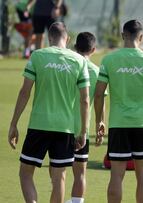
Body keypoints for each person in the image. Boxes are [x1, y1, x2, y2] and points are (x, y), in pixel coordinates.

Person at [8, 22, 90, 203]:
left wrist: (13, 123)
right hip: (65, 128)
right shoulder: (79, 61)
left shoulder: (37, 56)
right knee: (59, 178)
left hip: (39, 125)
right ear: (67, 39)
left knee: (25, 173)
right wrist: (83, 131)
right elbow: (85, 100)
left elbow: (24, 92)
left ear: (48, 37)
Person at [94, 19, 143, 203]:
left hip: (119, 124)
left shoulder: (109, 59)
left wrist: (99, 121)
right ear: (141, 37)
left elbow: (98, 94)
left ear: (122, 35)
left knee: (116, 175)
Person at [67, 32, 105, 203]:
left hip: (60, 126)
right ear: (94, 49)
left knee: (57, 170)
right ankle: (77, 201)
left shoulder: (66, 66)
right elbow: (99, 101)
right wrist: (99, 123)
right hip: (82, 128)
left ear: (75, 47)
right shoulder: (97, 71)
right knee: (80, 172)